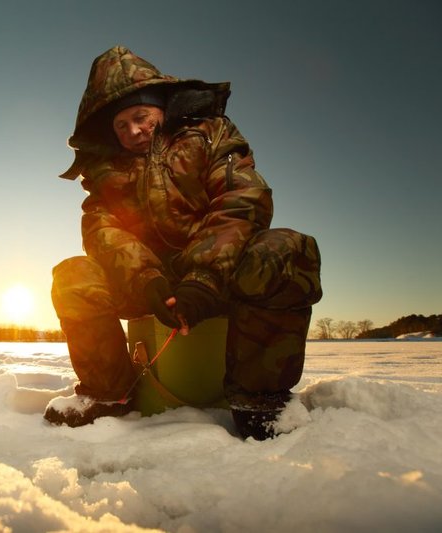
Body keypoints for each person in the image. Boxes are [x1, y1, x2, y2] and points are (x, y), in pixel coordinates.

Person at [45, 46, 323, 440]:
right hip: (149, 282)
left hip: (221, 274)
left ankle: (261, 400)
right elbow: (104, 233)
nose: (132, 132)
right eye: (121, 126)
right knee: (74, 275)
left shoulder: (212, 134)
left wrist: (204, 276)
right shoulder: (105, 172)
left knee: (287, 249)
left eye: (140, 117)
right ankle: (109, 394)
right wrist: (147, 279)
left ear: (161, 107)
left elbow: (242, 200)